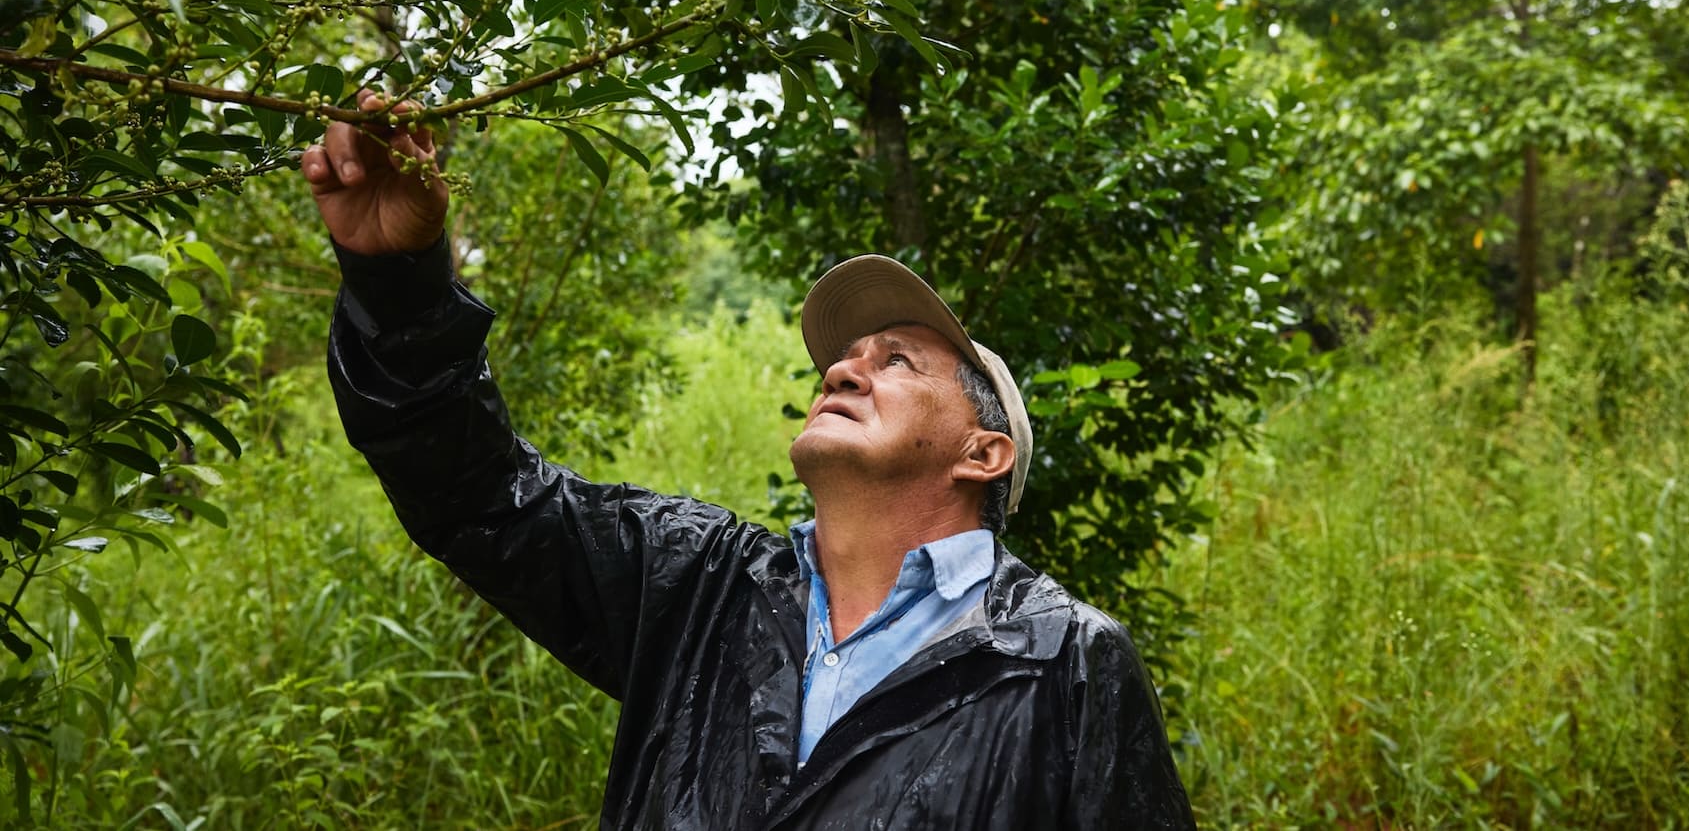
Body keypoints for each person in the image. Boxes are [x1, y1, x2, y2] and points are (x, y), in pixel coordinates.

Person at [303, 92, 1196, 829]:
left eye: (897, 360)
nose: (844, 365)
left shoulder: (1065, 662)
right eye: (845, 357)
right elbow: (476, 492)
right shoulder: (701, 587)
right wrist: (399, 280)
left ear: (984, 451)